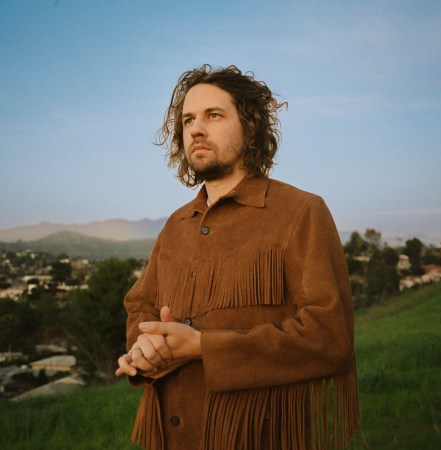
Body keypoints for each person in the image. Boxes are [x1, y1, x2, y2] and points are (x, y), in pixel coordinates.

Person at [116, 65, 359, 450]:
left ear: (250, 126)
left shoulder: (301, 211)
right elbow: (140, 307)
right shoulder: (175, 225)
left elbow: (329, 339)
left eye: (213, 115)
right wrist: (144, 348)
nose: (196, 128)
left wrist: (202, 347)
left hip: (257, 437)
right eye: (188, 119)